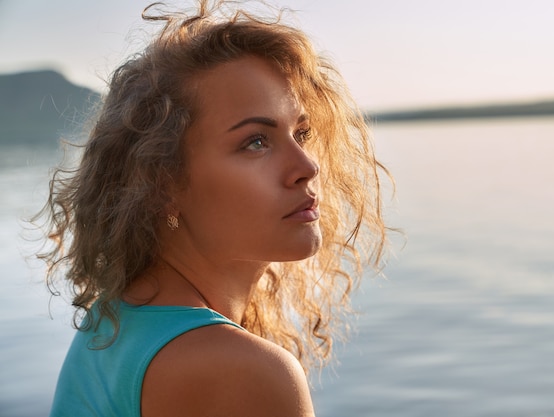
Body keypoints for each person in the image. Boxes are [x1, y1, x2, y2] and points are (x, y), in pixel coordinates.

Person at [35, 1, 390, 416]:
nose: (307, 167)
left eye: (302, 132)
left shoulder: (116, 319)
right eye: (256, 141)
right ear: (163, 182)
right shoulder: (238, 370)